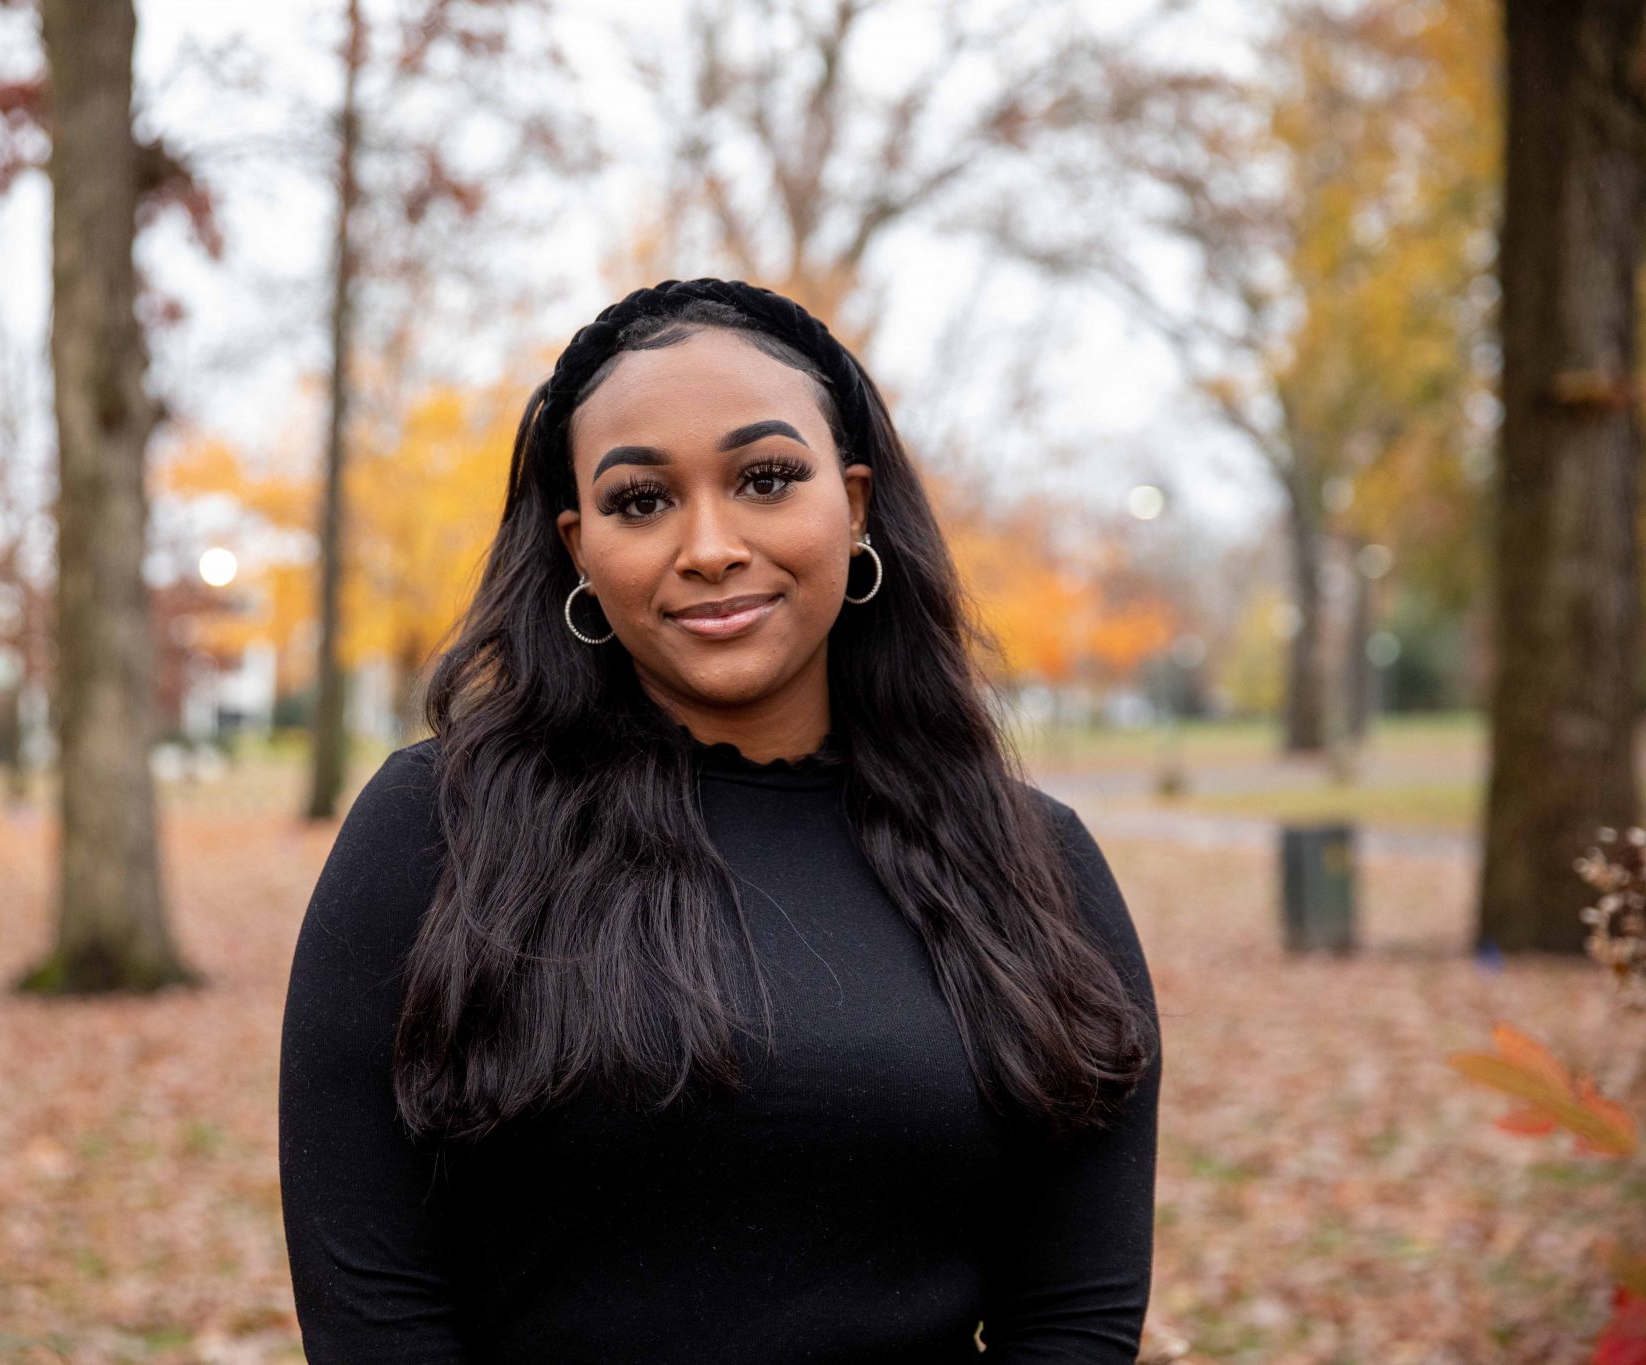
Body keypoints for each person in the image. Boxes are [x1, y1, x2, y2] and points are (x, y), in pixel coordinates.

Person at [278, 277, 1162, 1363]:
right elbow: (375, 1314)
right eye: (640, 501)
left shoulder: (1031, 863)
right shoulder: (436, 832)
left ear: (855, 502)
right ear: (577, 551)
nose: (708, 545)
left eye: (765, 479)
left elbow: (1071, 1315)